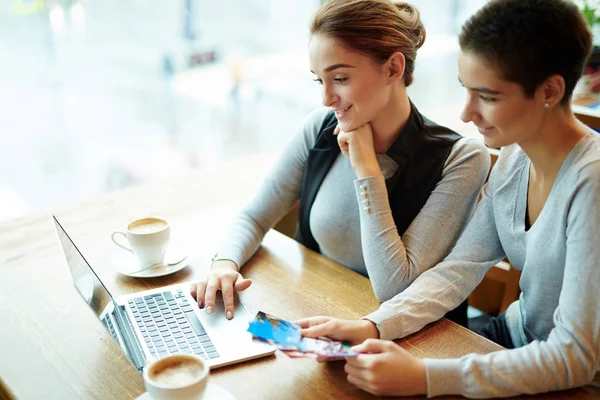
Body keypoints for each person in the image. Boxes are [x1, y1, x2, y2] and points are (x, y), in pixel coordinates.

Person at [296, 0, 600, 397]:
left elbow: (575, 358)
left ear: (550, 90)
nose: (466, 114)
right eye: (465, 90)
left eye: (487, 97)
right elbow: (459, 267)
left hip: (573, 378)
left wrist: (426, 376)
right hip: (510, 338)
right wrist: (374, 325)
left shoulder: (591, 184)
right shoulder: (514, 156)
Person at [191, 0, 489, 325]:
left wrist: (367, 172)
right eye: (320, 80)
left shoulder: (461, 158)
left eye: (341, 78)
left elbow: (395, 288)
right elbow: (253, 217)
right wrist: (224, 263)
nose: (326, 98)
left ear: (393, 68)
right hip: (318, 318)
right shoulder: (320, 128)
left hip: (410, 348)